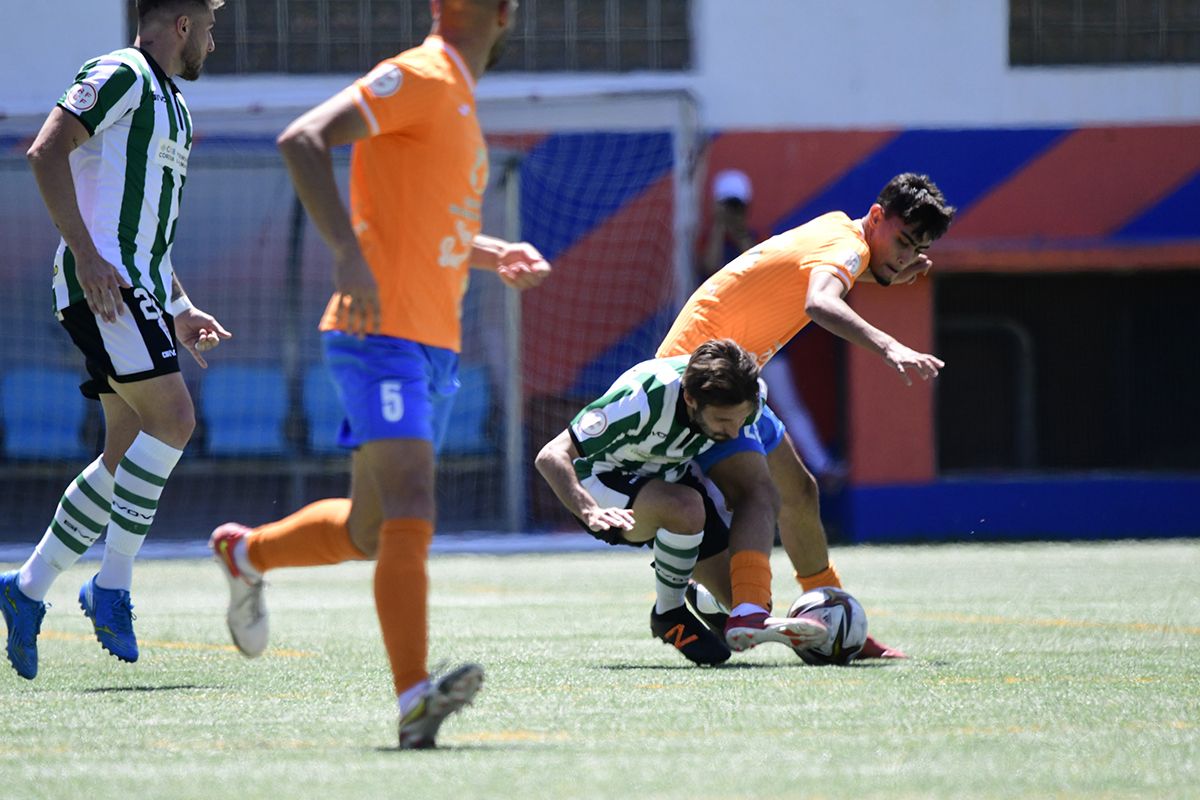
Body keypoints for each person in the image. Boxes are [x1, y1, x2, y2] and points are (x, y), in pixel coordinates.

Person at [208, 0, 549, 750]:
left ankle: (246, 553)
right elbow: (302, 140)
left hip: (431, 345)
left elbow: (428, 225)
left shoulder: (452, 90)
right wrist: (346, 255)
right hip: (380, 338)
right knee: (414, 499)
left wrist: (496, 255)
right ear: (507, 14)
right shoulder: (421, 74)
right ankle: (413, 699)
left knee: (370, 530)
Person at [0, 0, 230, 681]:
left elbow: (149, 236)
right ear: (182, 25)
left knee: (126, 450)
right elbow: (45, 151)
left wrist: (181, 307)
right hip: (103, 290)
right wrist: (86, 254)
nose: (213, 44)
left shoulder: (177, 108)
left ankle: (28, 588)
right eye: (210, 29)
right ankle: (113, 585)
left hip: (139, 293)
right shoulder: (121, 73)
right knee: (177, 418)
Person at [658, 172, 956, 658]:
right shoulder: (849, 248)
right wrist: (888, 344)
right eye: (901, 242)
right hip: (697, 378)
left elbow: (814, 273)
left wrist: (879, 272)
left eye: (915, 247)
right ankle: (740, 608)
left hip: (724, 373)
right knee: (757, 491)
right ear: (876, 217)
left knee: (797, 490)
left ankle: (808, 609)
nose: (904, 256)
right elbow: (820, 303)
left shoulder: (840, 230)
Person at [535, 339, 828, 666]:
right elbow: (550, 455)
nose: (733, 433)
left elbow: (756, 475)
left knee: (742, 599)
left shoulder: (751, 397)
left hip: (668, 478)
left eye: (739, 420)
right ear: (690, 399)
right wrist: (588, 509)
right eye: (721, 421)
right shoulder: (642, 400)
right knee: (686, 507)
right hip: (601, 484)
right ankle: (669, 613)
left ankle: (703, 600)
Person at [701, 168, 843, 485]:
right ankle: (714, 483)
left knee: (789, 405)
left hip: (766, 341)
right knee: (723, 410)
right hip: (729, 345)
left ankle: (821, 466)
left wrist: (736, 232)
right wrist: (717, 226)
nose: (734, 212)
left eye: (737, 206)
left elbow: (757, 267)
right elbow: (710, 266)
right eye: (728, 205)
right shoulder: (710, 241)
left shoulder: (758, 238)